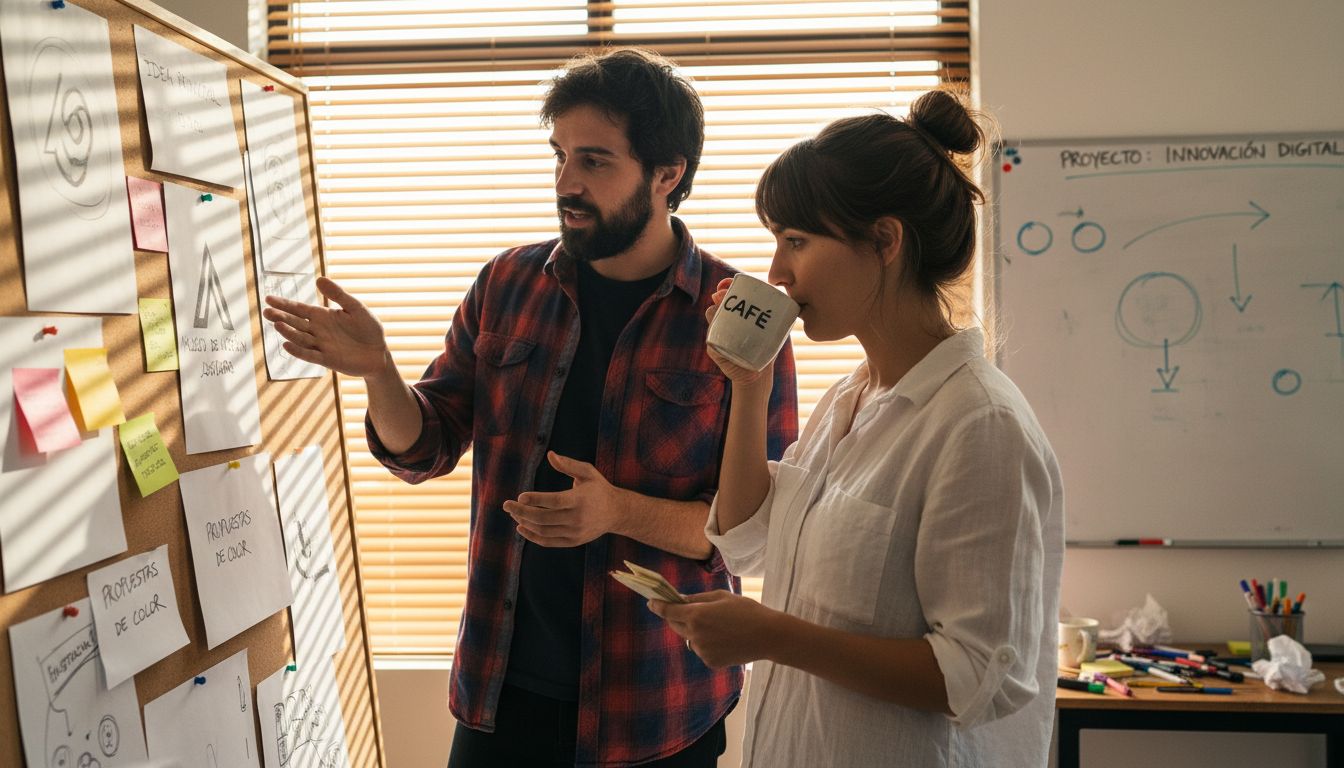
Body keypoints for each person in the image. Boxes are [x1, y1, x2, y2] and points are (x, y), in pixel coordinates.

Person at [263, 48, 798, 767]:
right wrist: (378, 372)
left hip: (656, 705)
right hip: (501, 693)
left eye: (596, 161)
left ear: (668, 174)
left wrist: (618, 512)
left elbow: (752, 530)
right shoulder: (508, 283)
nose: (566, 182)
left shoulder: (736, 320)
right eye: (560, 155)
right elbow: (424, 449)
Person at [650, 91, 1064, 767]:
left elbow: (978, 673)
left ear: (885, 241)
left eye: (796, 241)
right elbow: (748, 541)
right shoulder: (850, 398)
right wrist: (747, 389)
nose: (777, 271)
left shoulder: (979, 425)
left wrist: (775, 638)